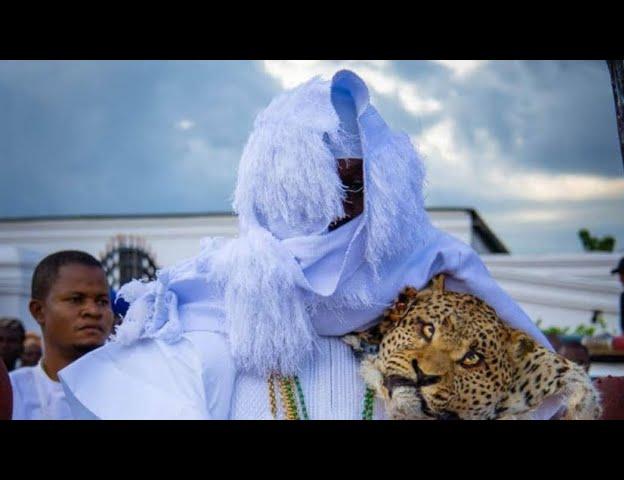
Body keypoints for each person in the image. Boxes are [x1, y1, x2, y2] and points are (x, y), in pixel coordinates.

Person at [59, 70, 561, 420]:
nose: (344, 204)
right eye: (328, 183)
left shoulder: (434, 271)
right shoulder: (212, 296)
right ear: (280, 184)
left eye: (360, 185)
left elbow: (507, 384)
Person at [9, 251, 114, 420]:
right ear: (39, 311)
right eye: (76, 299)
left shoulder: (137, 390)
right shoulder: (12, 393)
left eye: (102, 301)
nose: (94, 311)